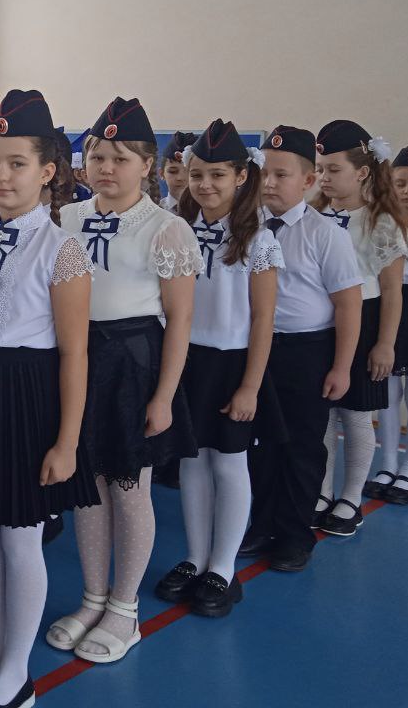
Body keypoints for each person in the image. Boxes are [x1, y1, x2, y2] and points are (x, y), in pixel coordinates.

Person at [0, 90, 97, 708]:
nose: (0, 175)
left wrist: (67, 441)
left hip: (26, 400)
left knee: (20, 539)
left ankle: (17, 673)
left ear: (48, 172)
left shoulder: (61, 249)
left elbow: (75, 354)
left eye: (16, 164)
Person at [48, 97, 201, 665]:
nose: (106, 168)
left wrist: (164, 396)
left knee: (129, 489)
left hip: (133, 365)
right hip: (78, 358)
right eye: (96, 156)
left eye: (120, 158)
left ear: (147, 165)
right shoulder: (65, 219)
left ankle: (125, 607)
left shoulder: (166, 228)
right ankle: (93, 597)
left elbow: (179, 320)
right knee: (87, 486)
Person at [153, 120, 281, 618]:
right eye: (197, 174)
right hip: (185, 359)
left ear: (241, 177)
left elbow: (264, 319)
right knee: (192, 461)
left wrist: (250, 386)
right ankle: (194, 557)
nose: (205, 185)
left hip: (231, 363)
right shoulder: (176, 227)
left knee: (228, 463)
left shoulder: (257, 239)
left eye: (218, 175)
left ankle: (222, 567)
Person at [240, 125, 361, 572]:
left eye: (282, 175)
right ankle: (261, 523)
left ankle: (293, 535)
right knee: (259, 444)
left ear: (308, 181)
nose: (270, 183)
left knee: (301, 446)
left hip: (305, 351)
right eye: (265, 173)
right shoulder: (246, 226)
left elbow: (348, 305)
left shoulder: (325, 234)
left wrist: (342, 367)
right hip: (255, 348)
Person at [313, 120, 408, 535]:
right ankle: (320, 491)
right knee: (321, 417)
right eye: (320, 169)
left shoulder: (380, 221)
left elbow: (392, 292)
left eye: (334, 169)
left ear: (363, 171)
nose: (324, 177)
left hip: (365, 323)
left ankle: (351, 498)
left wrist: (385, 343)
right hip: (320, 324)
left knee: (355, 417)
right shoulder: (314, 216)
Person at [369, 145, 408, 504]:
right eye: (401, 183)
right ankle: (386, 464)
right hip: (389, 308)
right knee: (386, 391)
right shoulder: (380, 224)